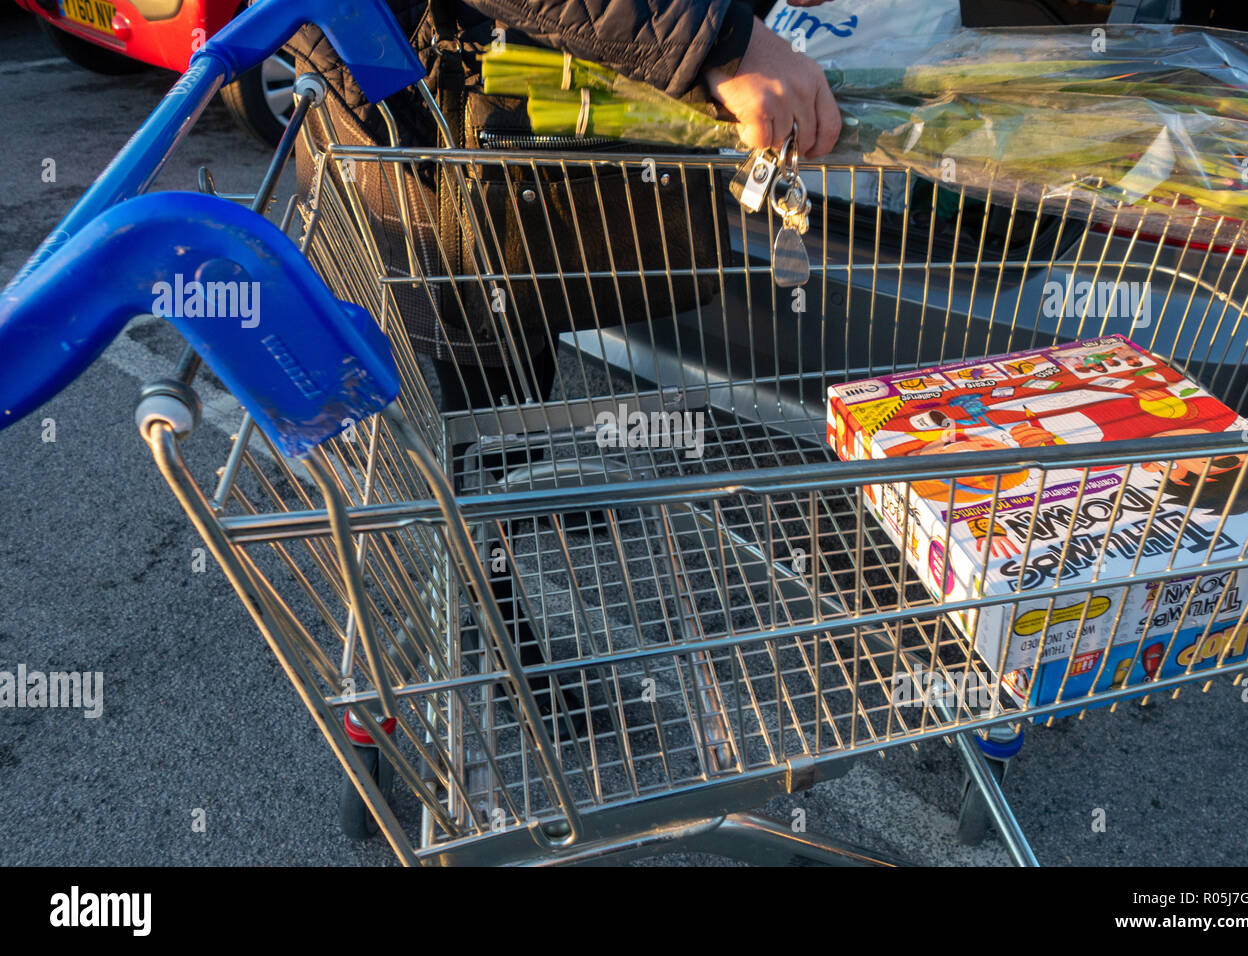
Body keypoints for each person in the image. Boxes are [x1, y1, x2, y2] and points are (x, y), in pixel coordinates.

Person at [287, 0, 841, 738]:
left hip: (440, 110)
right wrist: (723, 40)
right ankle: (502, 627)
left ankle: (515, 498)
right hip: (436, 123)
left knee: (510, 374)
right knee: (485, 421)